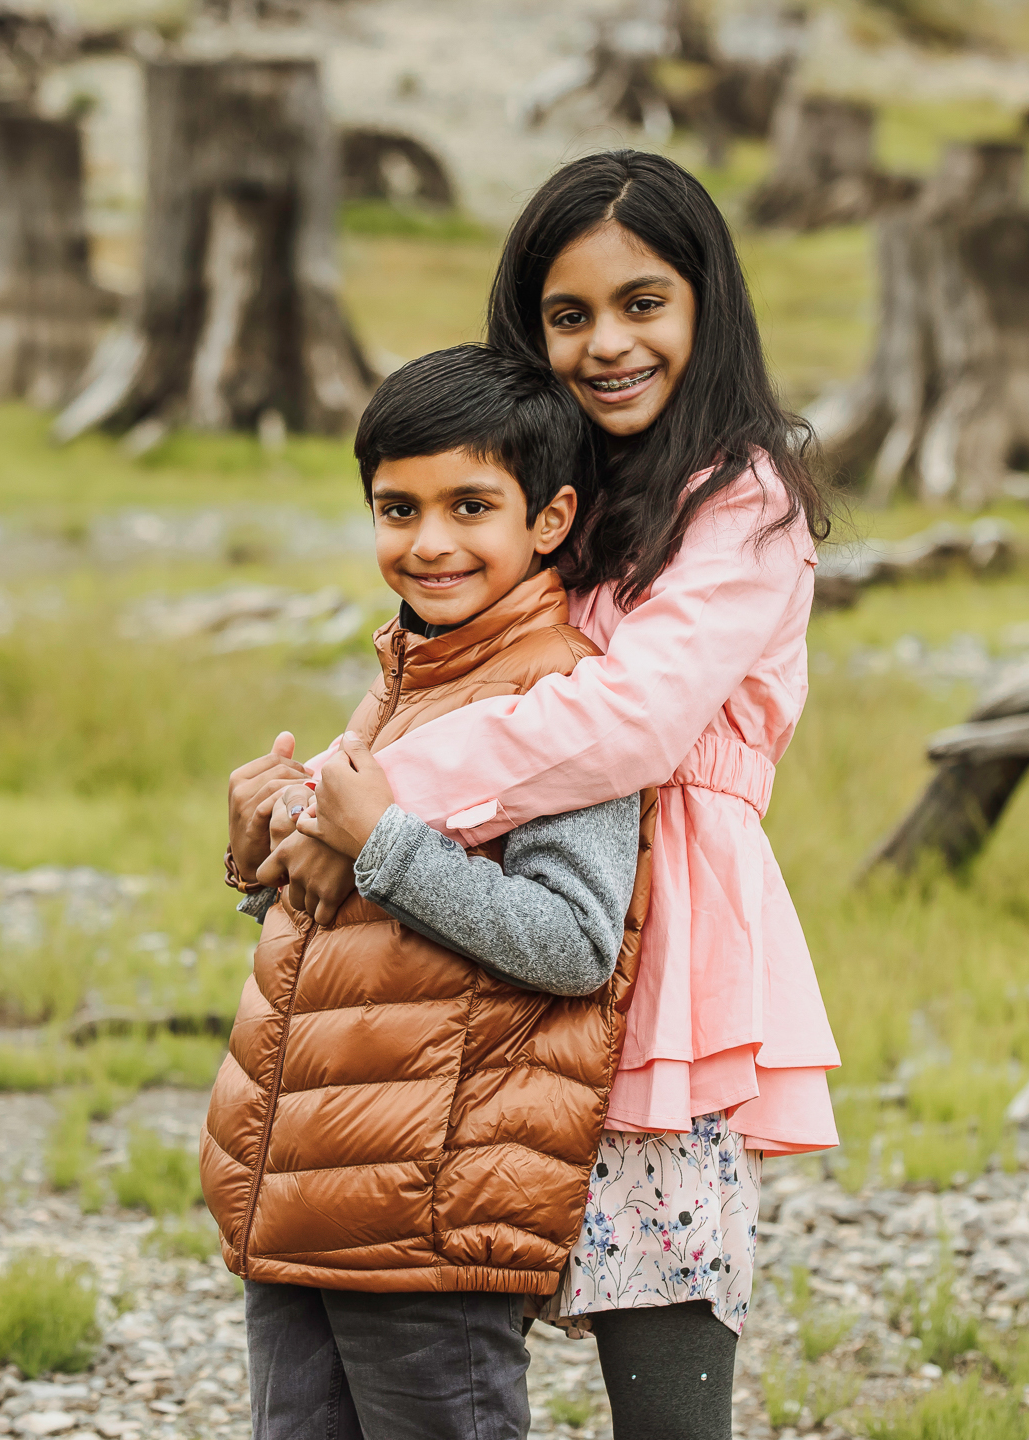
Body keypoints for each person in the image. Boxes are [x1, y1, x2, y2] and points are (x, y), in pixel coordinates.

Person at [235, 150, 842, 1440]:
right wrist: (303, 817)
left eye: (643, 303)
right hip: (485, 952)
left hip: (664, 948)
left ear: (708, 305)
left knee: (659, 1335)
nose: (607, 342)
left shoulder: (743, 501)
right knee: (436, 1323)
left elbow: (632, 720)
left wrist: (380, 801)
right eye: (569, 314)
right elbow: (427, 686)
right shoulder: (547, 488)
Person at [205, 343, 660, 1440]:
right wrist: (262, 856)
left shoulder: (559, 700)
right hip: (310, 1184)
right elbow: (367, 933)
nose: (430, 542)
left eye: (470, 506)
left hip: (428, 1203)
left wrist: (384, 844)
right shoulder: (408, 676)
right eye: (397, 509)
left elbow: (574, 942)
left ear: (548, 520)